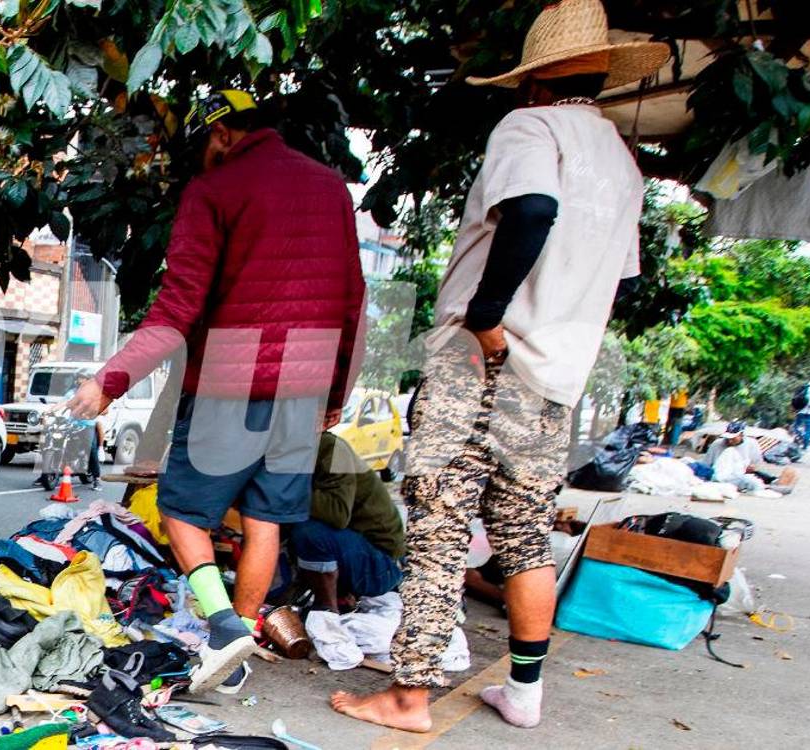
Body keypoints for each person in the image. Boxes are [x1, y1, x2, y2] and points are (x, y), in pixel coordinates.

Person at [330, 0, 667, 732]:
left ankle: (408, 695)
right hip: (556, 379)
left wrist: (484, 317)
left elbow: (533, 210)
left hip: (483, 361)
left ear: (533, 80)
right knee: (521, 534)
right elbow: (620, 273)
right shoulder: (620, 159)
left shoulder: (529, 128)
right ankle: (523, 692)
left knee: (440, 528)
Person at [67, 89, 366, 694]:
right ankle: (238, 657)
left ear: (222, 134)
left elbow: (178, 307)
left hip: (233, 383)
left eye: (201, 146)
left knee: (180, 510)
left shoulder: (216, 190)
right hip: (303, 391)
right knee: (264, 522)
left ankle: (225, 627)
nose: (200, 161)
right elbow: (353, 300)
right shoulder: (332, 188)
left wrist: (110, 380)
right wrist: (335, 391)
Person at [292, 431, 406, 612]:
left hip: (382, 565)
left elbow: (337, 513)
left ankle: (327, 609)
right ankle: (338, 597)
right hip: (360, 552)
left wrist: (285, 491)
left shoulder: (329, 448)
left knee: (308, 533)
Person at [703, 422, 787, 494]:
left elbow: (757, 463)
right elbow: (707, 464)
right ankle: (768, 486)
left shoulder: (751, 443)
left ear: (741, 435)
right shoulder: (717, 444)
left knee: (755, 477)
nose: (730, 441)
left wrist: (751, 467)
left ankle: (774, 483)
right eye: (728, 438)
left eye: (733, 438)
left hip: (743, 473)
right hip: (722, 474)